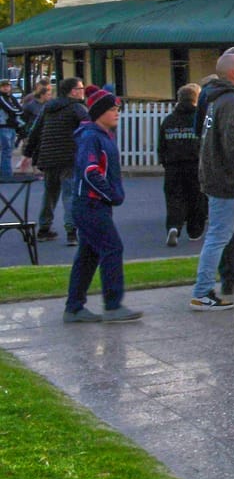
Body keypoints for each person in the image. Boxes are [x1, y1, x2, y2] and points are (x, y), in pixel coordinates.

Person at [63, 88, 141, 324]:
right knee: (112, 248)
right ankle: (112, 304)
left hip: (93, 204)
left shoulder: (101, 135)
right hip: (90, 204)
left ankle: (74, 308)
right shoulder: (91, 136)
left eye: (118, 109)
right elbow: (90, 171)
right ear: (99, 113)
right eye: (112, 109)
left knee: (88, 255)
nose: (117, 113)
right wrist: (110, 194)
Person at [191, 51, 234, 310]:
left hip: (217, 177)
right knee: (219, 235)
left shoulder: (215, 99)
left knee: (223, 234)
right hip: (227, 181)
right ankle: (202, 290)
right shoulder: (231, 100)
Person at [23, 77, 87, 243]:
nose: (83, 91)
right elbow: (89, 129)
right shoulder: (77, 108)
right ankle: (71, 231)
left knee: (50, 193)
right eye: (80, 88)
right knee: (70, 194)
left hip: (49, 157)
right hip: (68, 156)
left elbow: (35, 131)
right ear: (73, 91)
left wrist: (28, 154)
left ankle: (44, 228)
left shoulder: (47, 108)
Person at [157, 84, 202, 246]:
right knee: (196, 198)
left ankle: (174, 226)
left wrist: (164, 160)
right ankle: (194, 231)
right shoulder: (199, 119)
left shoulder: (169, 120)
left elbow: (161, 145)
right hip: (195, 164)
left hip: (173, 165)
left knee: (174, 198)